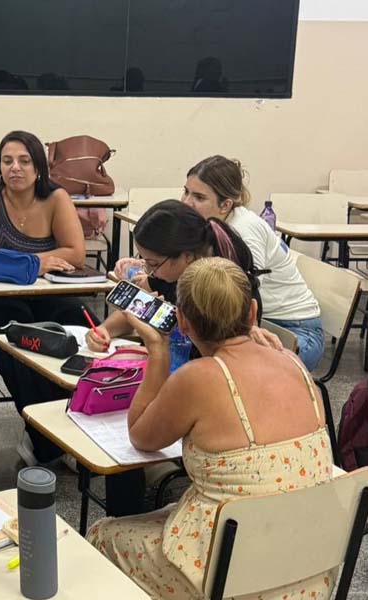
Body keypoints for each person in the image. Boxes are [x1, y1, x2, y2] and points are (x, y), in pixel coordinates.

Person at [87, 257, 334, 599]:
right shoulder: (292, 362)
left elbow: (141, 437)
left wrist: (157, 350)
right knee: (167, 514)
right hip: (310, 566)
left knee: (103, 535)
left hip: (234, 579)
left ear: (182, 321)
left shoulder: (198, 378)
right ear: (252, 312)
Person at [0, 129, 92, 466]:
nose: (15, 168)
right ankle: (48, 437)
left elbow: (76, 254)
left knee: (81, 326)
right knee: (15, 340)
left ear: (38, 168)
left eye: (24, 161)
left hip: (44, 294)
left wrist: (10, 262)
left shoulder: (56, 198)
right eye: (7, 161)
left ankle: (73, 423)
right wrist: (37, 263)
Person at [181, 155, 324, 371]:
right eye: (186, 191)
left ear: (225, 205)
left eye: (199, 197)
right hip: (259, 322)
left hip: (295, 332)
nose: (186, 202)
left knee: (220, 368)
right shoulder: (211, 223)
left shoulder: (244, 230)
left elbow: (242, 296)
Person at [86, 200, 278, 353]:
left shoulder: (227, 290)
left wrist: (157, 347)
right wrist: (104, 330)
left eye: (154, 264)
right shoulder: (169, 276)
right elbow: (134, 310)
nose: (150, 271)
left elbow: (222, 358)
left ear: (186, 256)